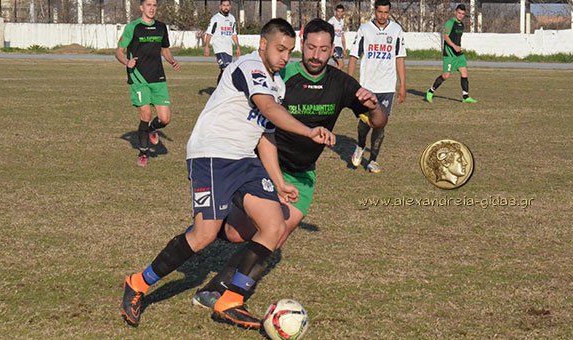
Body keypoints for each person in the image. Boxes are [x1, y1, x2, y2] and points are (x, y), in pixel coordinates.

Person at [121, 18, 336, 329]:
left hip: (244, 160)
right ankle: (138, 283)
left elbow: (265, 135)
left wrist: (278, 182)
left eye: (289, 51)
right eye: (279, 49)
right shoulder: (248, 66)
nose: (284, 57)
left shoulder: (278, 83)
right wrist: (308, 131)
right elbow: (268, 109)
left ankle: (231, 300)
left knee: (274, 226)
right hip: (212, 154)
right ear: (263, 44)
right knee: (204, 234)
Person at [190, 18, 387, 311]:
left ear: (332, 49)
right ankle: (211, 223)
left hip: (303, 174)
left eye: (323, 49)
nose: (316, 55)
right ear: (301, 44)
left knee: (278, 232)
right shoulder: (284, 77)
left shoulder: (342, 83)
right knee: (236, 233)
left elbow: (378, 122)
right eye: (310, 47)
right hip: (267, 166)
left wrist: (375, 106)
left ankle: (221, 290)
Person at [115, 0, 180, 168]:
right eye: (148, 5)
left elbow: (165, 49)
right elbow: (119, 51)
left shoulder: (161, 27)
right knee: (145, 113)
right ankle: (143, 153)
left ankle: (151, 129)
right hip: (138, 77)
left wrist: (171, 60)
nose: (152, 8)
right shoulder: (133, 27)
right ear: (141, 8)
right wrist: (126, 62)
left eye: (154, 5)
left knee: (165, 119)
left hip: (158, 77)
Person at [347, 0, 406, 173]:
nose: (383, 16)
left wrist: (402, 85)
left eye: (386, 12)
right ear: (374, 11)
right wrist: (349, 83)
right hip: (368, 85)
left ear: (390, 12)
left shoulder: (396, 30)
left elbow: (400, 58)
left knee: (380, 124)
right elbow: (353, 56)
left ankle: (373, 160)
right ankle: (360, 146)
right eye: (380, 12)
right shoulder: (365, 30)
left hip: (387, 86)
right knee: (365, 123)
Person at [425, 4, 477, 104]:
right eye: (459, 13)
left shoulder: (461, 25)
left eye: (463, 14)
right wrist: (454, 46)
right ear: (455, 12)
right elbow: (446, 36)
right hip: (449, 54)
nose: (461, 15)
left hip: (458, 54)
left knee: (464, 73)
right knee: (446, 76)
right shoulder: (450, 23)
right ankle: (430, 91)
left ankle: (465, 97)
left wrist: (458, 48)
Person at [204, 0, 242, 83]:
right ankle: (221, 90)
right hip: (219, 48)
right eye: (224, 5)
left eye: (227, 5)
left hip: (228, 48)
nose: (226, 7)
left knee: (225, 70)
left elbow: (234, 34)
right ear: (220, 7)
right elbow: (209, 33)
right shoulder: (215, 18)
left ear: (230, 7)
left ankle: (219, 89)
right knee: (226, 69)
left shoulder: (232, 18)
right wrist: (206, 46)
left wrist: (237, 47)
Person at [328, 4, 347, 69]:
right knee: (341, 65)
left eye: (341, 12)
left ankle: (331, 78)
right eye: (338, 11)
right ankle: (336, 78)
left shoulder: (342, 21)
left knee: (336, 65)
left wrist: (344, 49)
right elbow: (328, 35)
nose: (339, 13)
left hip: (340, 47)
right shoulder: (331, 21)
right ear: (335, 11)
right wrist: (331, 48)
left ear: (343, 12)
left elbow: (342, 36)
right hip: (335, 46)